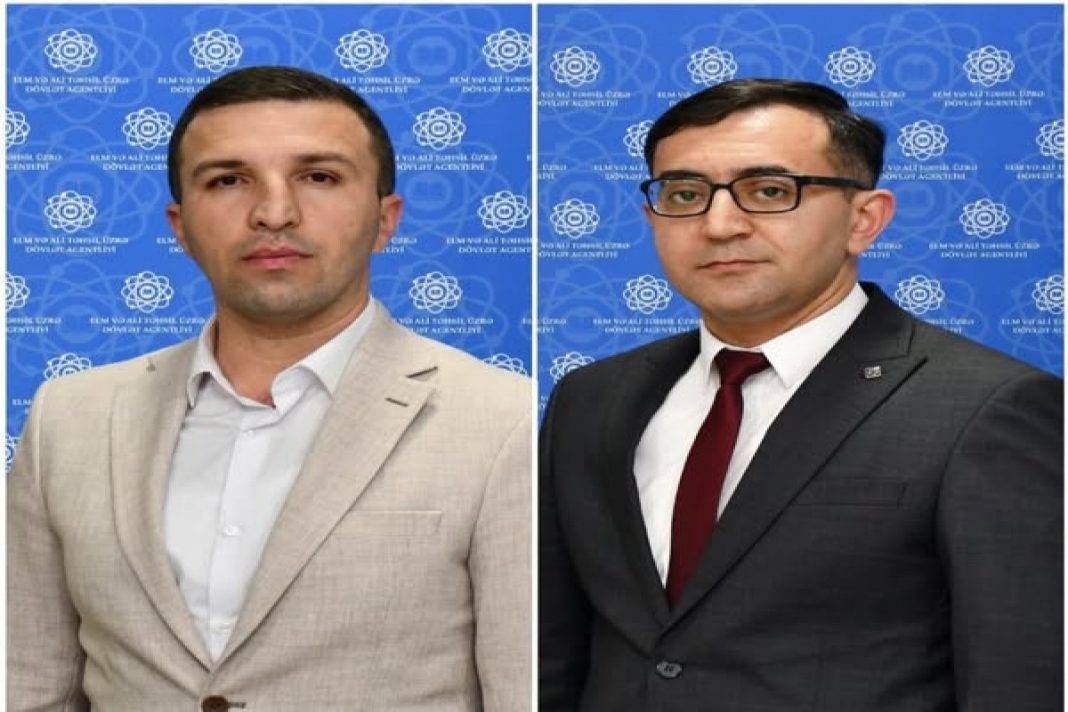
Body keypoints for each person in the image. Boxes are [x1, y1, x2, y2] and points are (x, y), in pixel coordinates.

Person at [9, 66, 531, 711]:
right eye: (228, 180)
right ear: (180, 225)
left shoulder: (502, 420)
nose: (274, 213)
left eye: (319, 177)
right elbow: (28, 685)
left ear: (385, 219)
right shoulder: (68, 417)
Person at [539, 79, 1062, 711]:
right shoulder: (593, 398)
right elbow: (552, 657)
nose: (720, 225)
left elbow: (1019, 678)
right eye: (685, 194)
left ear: (864, 220)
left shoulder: (987, 407)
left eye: (769, 191)